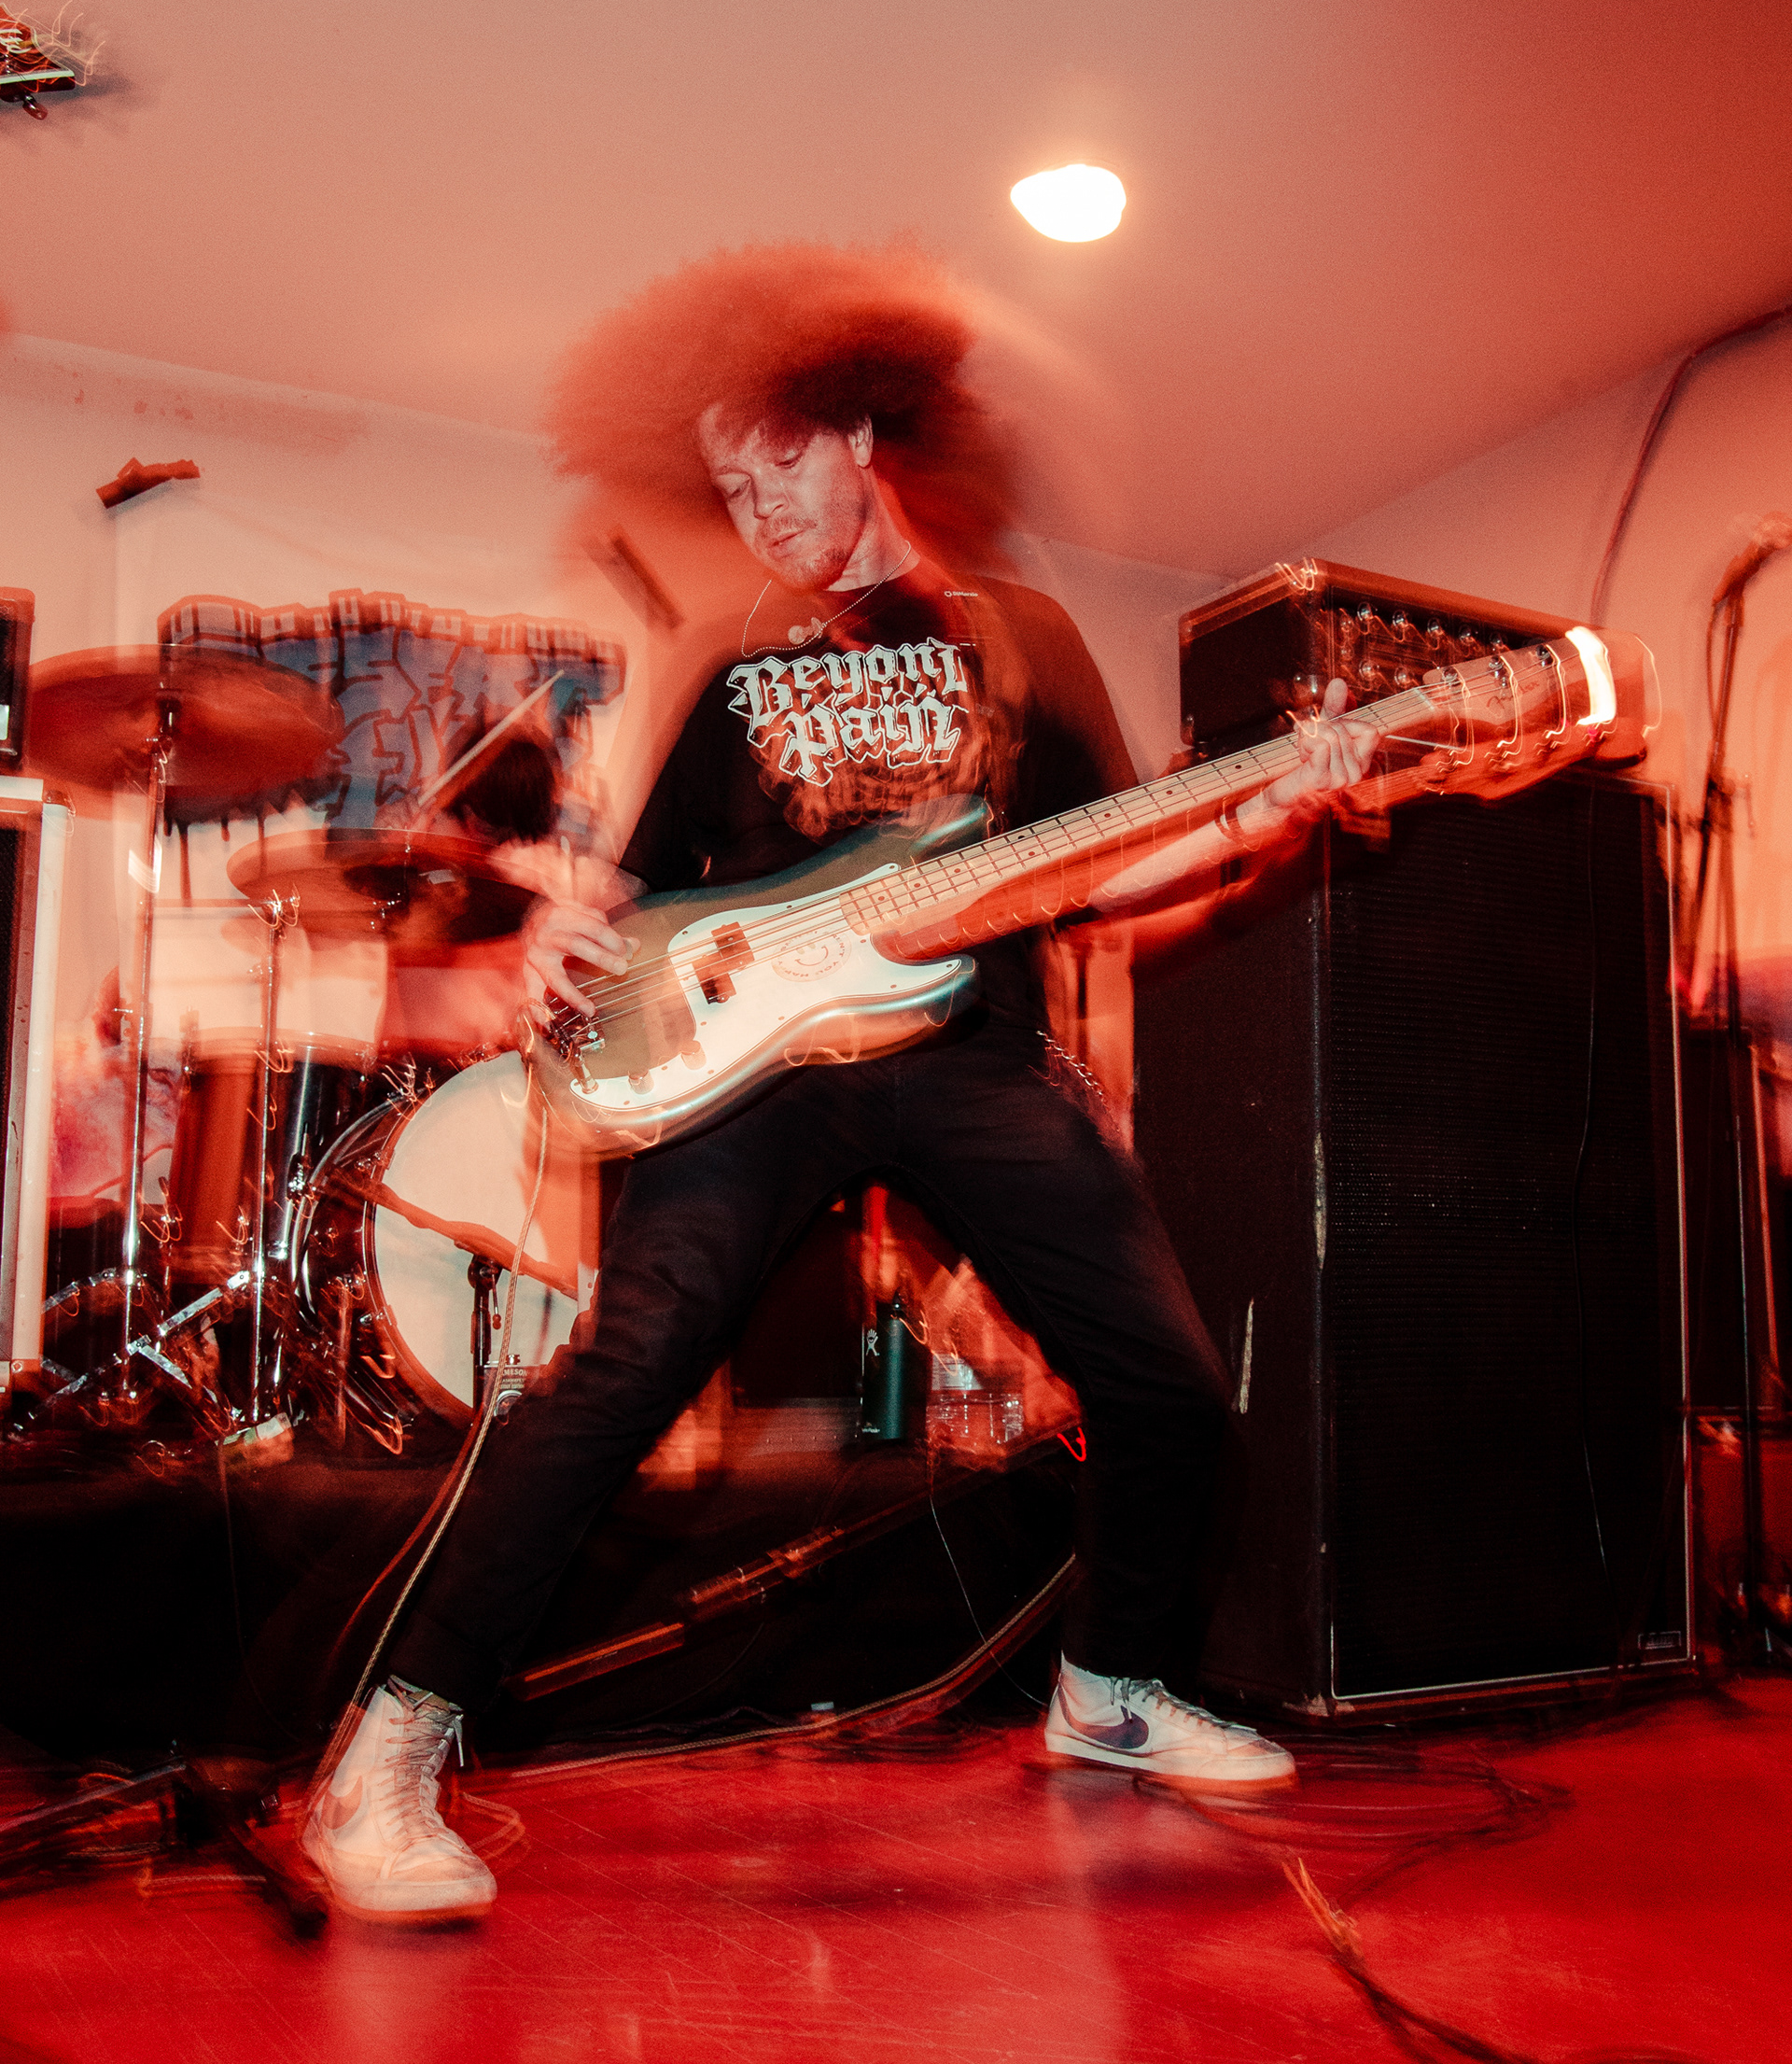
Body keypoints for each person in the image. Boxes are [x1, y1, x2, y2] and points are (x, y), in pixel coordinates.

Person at [302, 246, 1378, 1920]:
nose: (760, 514)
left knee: (1168, 1383)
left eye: (781, 467)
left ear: (864, 432)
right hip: (759, 1065)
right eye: (730, 491)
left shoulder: (1020, 640)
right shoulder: (736, 666)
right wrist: (574, 927)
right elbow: (634, 894)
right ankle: (386, 1749)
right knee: (629, 1364)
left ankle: (1111, 1690)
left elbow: (1101, 869)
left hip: (970, 1049)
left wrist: (1257, 816)